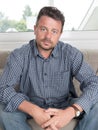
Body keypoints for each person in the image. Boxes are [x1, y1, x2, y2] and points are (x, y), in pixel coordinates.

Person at [0, 6, 98, 130]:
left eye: (54, 31)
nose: (48, 36)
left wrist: (71, 111)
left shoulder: (71, 54)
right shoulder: (19, 56)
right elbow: (3, 88)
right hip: (30, 104)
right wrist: (34, 110)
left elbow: (94, 84)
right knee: (3, 109)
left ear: (60, 34)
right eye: (43, 29)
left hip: (64, 104)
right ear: (35, 29)